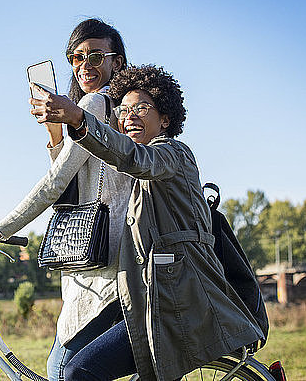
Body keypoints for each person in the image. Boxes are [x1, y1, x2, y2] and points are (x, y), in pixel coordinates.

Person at [30, 65, 265, 380]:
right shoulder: (143, 177)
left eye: (141, 108)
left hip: (176, 306)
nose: (129, 117)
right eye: (124, 110)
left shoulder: (172, 154)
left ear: (164, 118)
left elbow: (133, 158)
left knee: (78, 372)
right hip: (156, 304)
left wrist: (79, 119)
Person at [0, 19, 134, 381]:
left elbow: (55, 185)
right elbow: (72, 180)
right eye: (77, 57)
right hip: (98, 258)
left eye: (97, 56)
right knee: (66, 367)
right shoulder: (93, 110)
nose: (86, 65)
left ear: (117, 63)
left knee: (61, 368)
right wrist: (56, 134)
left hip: (107, 260)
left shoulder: (98, 103)